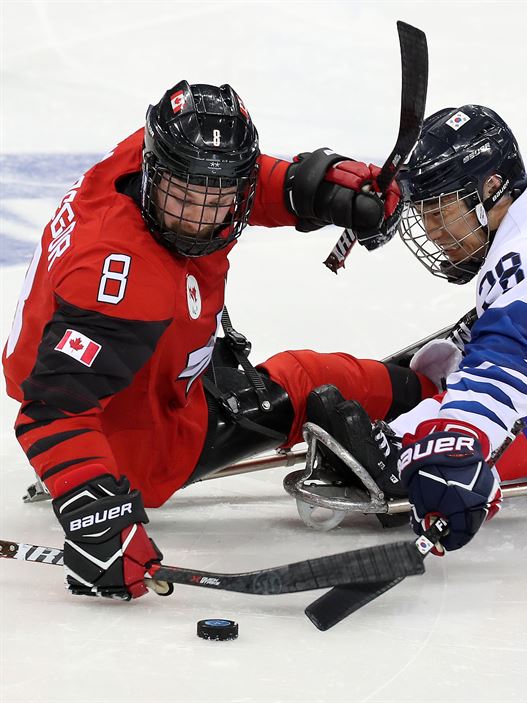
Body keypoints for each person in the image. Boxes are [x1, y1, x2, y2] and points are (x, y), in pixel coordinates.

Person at [2, 79, 430, 601]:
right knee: (308, 380)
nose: (202, 221)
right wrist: (97, 514)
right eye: (184, 198)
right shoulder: (119, 283)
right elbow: (53, 410)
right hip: (136, 435)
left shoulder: (151, 157)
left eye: (220, 197)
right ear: (160, 175)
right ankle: (433, 398)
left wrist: (318, 190)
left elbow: (242, 179)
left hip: (140, 366)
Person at [303, 103, 527, 554]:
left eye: (440, 210)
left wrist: (459, 444)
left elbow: (504, 368)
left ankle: (406, 459)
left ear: (492, 188)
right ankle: (406, 441)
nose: (431, 228)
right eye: (423, 210)